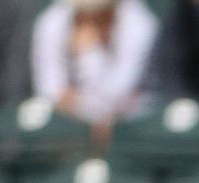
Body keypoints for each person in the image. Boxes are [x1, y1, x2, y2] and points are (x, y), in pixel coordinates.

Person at [31, 0, 161, 126]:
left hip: (133, 125)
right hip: (68, 125)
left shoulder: (138, 21)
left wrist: (90, 52)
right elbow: (50, 91)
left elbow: (117, 92)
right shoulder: (54, 19)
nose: (90, 18)